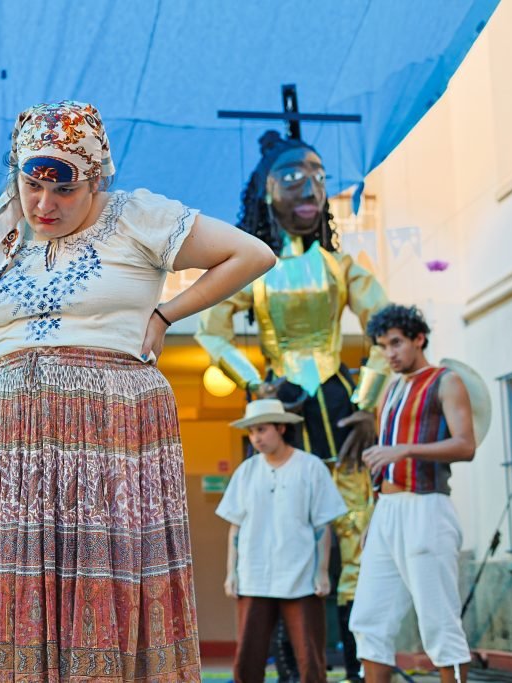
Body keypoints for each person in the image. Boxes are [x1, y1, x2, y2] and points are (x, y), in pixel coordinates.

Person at [0, 100, 276, 682]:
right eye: (32, 187)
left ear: (96, 178)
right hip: (15, 441)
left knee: (104, 571)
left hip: (112, 433)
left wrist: (168, 314)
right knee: (4, 578)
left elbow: (252, 253)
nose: (44, 205)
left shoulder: (135, 217)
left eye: (64, 190)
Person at [196, 130, 390, 682]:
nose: (310, 186)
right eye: (293, 176)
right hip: (281, 409)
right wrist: (256, 384)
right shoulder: (252, 267)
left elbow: (385, 324)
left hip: (337, 405)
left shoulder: (341, 266)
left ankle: (354, 665)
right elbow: (212, 331)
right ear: (265, 192)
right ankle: (288, 664)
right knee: (277, 531)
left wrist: (369, 399)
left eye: (319, 175)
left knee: (354, 529)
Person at [349, 305, 476, 683]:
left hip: (427, 507)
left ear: (419, 338)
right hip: (387, 511)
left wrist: (404, 449)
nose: (389, 353)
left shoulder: (446, 380)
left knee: (439, 621)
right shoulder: (391, 389)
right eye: (383, 346)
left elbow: (466, 445)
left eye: (396, 343)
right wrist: (375, 516)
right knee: (368, 619)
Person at [217, 399, 347, 683]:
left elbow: (323, 525)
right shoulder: (247, 471)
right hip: (254, 576)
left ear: (282, 428)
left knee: (310, 657)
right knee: (248, 658)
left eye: (262, 430)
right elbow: (234, 527)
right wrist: (232, 572)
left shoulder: (311, 467)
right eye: (252, 432)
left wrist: (322, 572)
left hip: (300, 577)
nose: (256, 438)